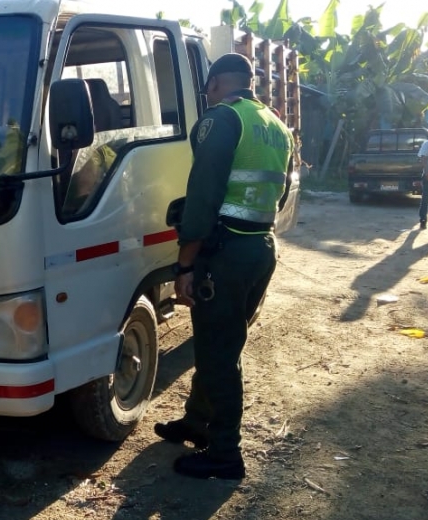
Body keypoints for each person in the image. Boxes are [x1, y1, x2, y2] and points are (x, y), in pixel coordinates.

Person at [154, 53, 294, 480]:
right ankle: (197, 422)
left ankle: (226, 453)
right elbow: (281, 192)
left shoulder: (222, 119)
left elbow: (203, 196)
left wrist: (185, 265)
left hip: (225, 251)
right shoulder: (274, 125)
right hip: (260, 247)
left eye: (207, 88)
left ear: (214, 83)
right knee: (220, 345)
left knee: (219, 355)